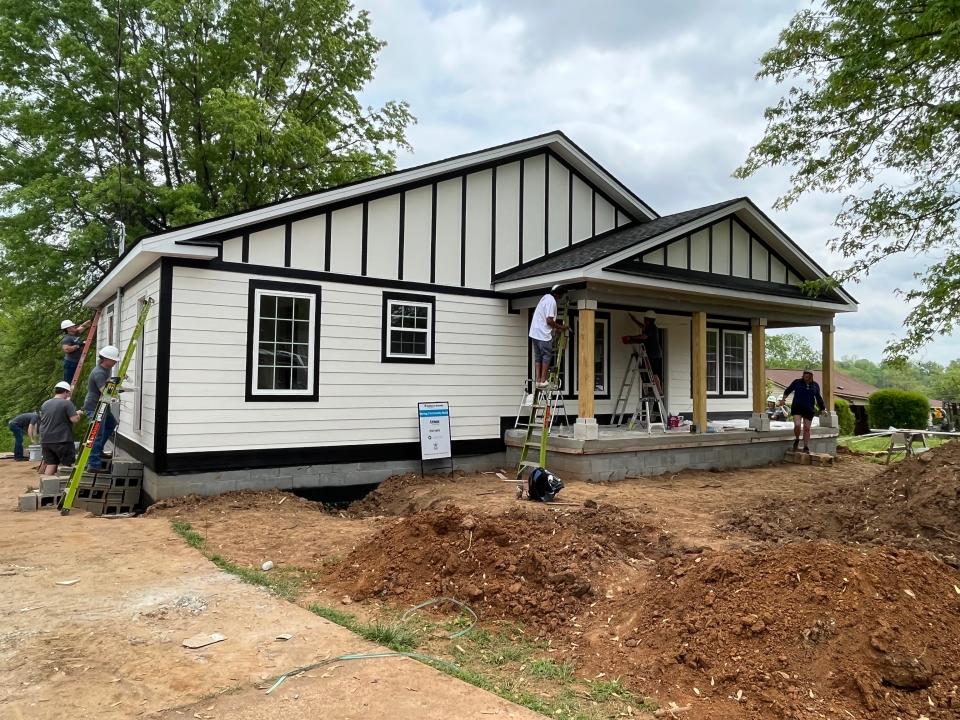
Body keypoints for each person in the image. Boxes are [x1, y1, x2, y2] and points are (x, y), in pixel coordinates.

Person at [83, 345, 121, 471]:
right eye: (114, 360)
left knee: (111, 424)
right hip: (94, 406)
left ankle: (98, 451)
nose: (115, 362)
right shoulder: (99, 372)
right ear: (105, 359)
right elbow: (104, 391)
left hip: (103, 404)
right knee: (96, 434)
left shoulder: (107, 368)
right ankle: (93, 464)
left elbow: (108, 383)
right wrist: (117, 391)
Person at [528, 286, 568, 389]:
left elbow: (544, 320)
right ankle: (543, 380)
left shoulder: (545, 297)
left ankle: (538, 380)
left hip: (534, 333)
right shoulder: (552, 302)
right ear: (558, 294)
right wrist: (562, 327)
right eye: (562, 295)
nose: (561, 297)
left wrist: (556, 329)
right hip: (543, 335)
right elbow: (549, 321)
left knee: (538, 356)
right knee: (546, 356)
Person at [39, 381, 81, 475]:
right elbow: (74, 420)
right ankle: (64, 488)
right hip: (62, 440)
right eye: (68, 393)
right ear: (66, 392)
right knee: (66, 465)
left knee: (51, 464)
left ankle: (47, 486)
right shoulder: (67, 403)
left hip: (46, 440)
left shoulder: (45, 404)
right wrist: (78, 414)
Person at [781, 370, 825, 453]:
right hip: (797, 407)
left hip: (809, 409)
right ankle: (797, 439)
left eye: (808, 376)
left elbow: (818, 398)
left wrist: (823, 409)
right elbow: (788, 390)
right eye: (805, 375)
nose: (806, 377)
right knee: (797, 425)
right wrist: (783, 399)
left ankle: (806, 447)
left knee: (807, 428)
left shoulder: (815, 385)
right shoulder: (797, 382)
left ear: (811, 376)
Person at [61, 318, 92, 384]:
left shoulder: (75, 333)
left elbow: (83, 326)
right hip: (70, 363)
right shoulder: (67, 338)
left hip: (76, 362)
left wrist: (91, 320)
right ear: (68, 329)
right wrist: (78, 346)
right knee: (68, 382)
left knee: (74, 382)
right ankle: (66, 393)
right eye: (72, 326)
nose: (74, 326)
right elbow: (66, 349)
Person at [640, 310, 663, 393]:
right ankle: (657, 390)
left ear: (649, 320)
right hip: (656, 355)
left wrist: (631, 338)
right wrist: (634, 320)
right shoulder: (652, 328)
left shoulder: (651, 328)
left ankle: (658, 391)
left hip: (653, 355)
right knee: (654, 373)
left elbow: (643, 337)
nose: (644, 321)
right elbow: (642, 326)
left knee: (653, 373)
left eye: (645, 319)